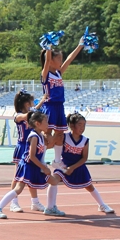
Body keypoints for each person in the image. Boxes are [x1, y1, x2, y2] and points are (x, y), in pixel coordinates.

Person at [0, 110, 62, 219]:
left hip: (36, 166)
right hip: (28, 166)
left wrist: (55, 139)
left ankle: (50, 208)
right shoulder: (34, 136)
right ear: (38, 123)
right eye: (46, 122)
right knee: (18, 189)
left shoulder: (41, 136)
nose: (48, 124)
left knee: (54, 181)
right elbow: (32, 156)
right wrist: (43, 167)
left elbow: (42, 151)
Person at [47, 112, 115, 214]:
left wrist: (72, 168)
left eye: (84, 125)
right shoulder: (64, 137)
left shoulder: (85, 140)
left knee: (89, 186)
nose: (82, 128)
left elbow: (84, 158)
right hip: (64, 165)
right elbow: (51, 145)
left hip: (78, 166)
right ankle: (50, 207)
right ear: (72, 125)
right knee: (54, 180)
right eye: (79, 125)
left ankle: (102, 205)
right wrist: (52, 137)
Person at [40, 38, 84, 171]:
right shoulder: (46, 74)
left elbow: (70, 59)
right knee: (47, 134)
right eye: (58, 59)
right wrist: (49, 46)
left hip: (60, 107)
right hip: (50, 106)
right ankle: (41, 160)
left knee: (60, 134)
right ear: (51, 61)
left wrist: (80, 45)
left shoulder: (59, 73)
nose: (61, 61)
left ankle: (57, 161)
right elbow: (47, 60)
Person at [9, 90, 47, 213]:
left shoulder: (31, 113)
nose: (33, 104)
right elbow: (28, 115)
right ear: (26, 104)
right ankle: (13, 202)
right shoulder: (18, 116)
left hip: (31, 146)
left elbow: (33, 111)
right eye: (31, 101)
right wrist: (37, 108)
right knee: (17, 176)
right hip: (22, 147)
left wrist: (42, 101)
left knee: (31, 175)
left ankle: (35, 202)